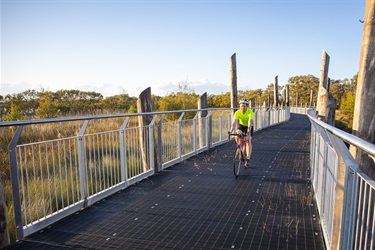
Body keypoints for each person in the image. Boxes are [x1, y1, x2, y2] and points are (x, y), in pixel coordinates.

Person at [229, 98, 254, 167]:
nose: (243, 107)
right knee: (237, 134)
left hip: (248, 127)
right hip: (242, 125)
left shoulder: (250, 112)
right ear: (239, 106)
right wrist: (230, 131)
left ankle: (248, 158)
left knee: (248, 140)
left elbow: (250, 123)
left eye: (244, 106)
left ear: (247, 106)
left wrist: (248, 133)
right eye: (241, 106)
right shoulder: (237, 112)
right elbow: (234, 123)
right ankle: (239, 148)